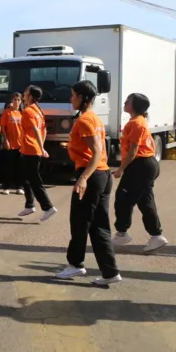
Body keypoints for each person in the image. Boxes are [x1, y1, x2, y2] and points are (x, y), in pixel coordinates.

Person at [56, 80, 120, 286]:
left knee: (80, 221)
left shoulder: (85, 120)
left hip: (91, 175)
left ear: (83, 98)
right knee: (99, 225)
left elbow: (97, 152)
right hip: (101, 174)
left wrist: (83, 178)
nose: (70, 98)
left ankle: (75, 264)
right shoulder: (94, 119)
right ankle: (110, 272)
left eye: (73, 95)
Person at [111, 93, 168, 252]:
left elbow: (134, 150)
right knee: (144, 200)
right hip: (144, 165)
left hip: (141, 165)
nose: (125, 102)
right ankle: (156, 236)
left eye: (128, 101)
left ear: (135, 105)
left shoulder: (137, 123)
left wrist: (121, 169)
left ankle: (122, 233)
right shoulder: (136, 121)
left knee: (123, 198)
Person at [18, 85, 57, 221]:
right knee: (26, 177)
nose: (23, 94)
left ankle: (48, 207)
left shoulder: (29, 111)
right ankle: (29, 205)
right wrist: (41, 146)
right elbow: (44, 130)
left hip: (31, 149)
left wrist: (40, 148)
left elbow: (35, 130)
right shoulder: (38, 110)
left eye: (26, 92)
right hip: (30, 148)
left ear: (31, 96)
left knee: (35, 180)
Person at [0, 94, 25, 195]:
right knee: (8, 166)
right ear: (11, 101)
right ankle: (6, 186)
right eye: (15, 99)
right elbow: (3, 127)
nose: (17, 101)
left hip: (20, 144)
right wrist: (5, 140)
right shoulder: (7, 113)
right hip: (10, 143)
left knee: (20, 166)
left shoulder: (22, 113)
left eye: (18, 100)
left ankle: (19, 186)